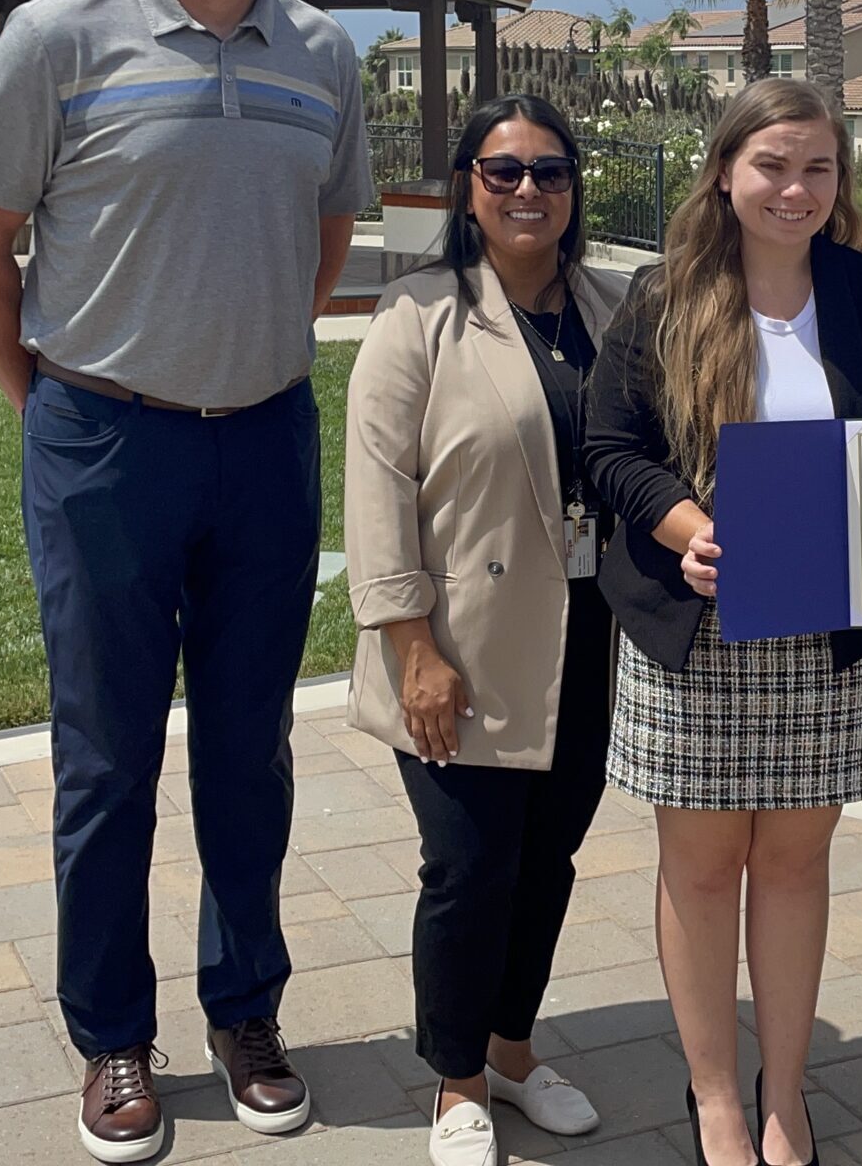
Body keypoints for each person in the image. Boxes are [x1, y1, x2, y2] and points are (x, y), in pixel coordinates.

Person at [0, 0, 367, 1163]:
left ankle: (245, 1008)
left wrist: (245, 352)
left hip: (262, 441)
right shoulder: (60, 38)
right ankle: (113, 1037)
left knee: (252, 750)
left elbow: (324, 239)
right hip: (103, 439)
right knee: (108, 760)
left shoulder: (322, 53)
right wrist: (45, 403)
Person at [584, 79, 862, 1166]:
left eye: (818, 167)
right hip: (698, 631)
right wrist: (685, 525)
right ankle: (715, 1096)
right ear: (726, 172)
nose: (796, 188)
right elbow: (610, 451)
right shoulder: (664, 296)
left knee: (792, 865)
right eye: (774, 165)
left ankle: (787, 1096)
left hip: (821, 629)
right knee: (699, 870)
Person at [344, 95, 626, 1166]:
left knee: (547, 859)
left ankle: (512, 1052)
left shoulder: (613, 307)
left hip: (589, 642)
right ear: (468, 185)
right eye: (502, 171)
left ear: (573, 188)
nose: (527, 190)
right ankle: (456, 1078)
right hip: (461, 646)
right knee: (468, 868)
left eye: (550, 171)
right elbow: (378, 493)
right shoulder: (417, 316)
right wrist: (412, 647)